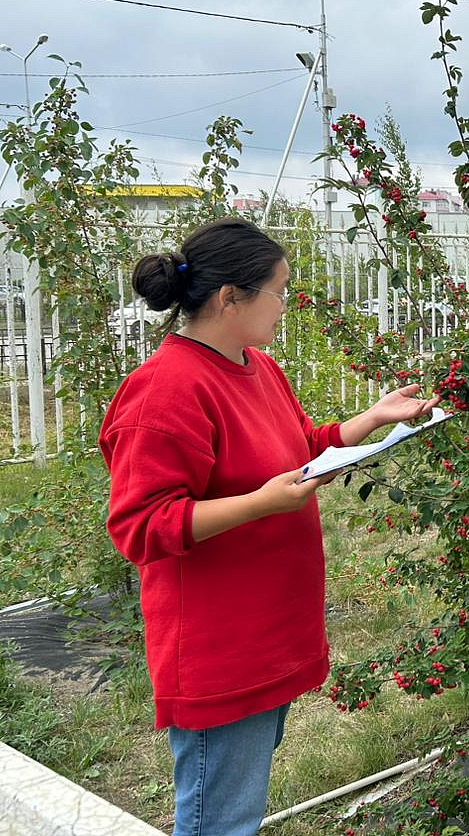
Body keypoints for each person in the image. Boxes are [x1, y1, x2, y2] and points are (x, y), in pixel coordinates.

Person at [100, 218, 439, 836]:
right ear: (230, 297)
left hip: (266, 633)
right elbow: (140, 526)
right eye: (278, 290)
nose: (286, 305)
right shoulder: (165, 391)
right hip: (218, 649)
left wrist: (373, 419)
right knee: (220, 822)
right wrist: (259, 504)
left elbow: (299, 450)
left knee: (238, 811)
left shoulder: (258, 368)